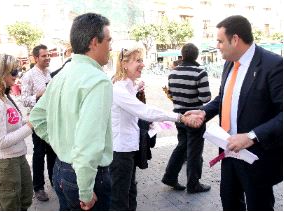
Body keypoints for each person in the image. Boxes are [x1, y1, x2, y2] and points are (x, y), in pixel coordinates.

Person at [186, 15, 282, 210]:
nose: (217, 45)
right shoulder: (229, 63)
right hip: (229, 153)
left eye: (220, 41)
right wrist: (204, 112)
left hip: (257, 158)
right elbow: (223, 98)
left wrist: (252, 137)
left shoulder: (273, 65)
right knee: (229, 203)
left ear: (235, 39)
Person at [29, 13, 114, 211]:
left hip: (62, 169)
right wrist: (85, 190)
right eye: (109, 40)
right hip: (86, 177)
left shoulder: (63, 73)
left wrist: (61, 142)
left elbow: (37, 116)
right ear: (94, 42)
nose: (110, 46)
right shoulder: (97, 80)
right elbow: (88, 143)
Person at [110, 47, 202, 210]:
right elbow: (145, 111)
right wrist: (180, 117)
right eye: (138, 60)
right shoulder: (119, 89)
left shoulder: (128, 85)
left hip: (128, 148)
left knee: (130, 192)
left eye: (142, 60)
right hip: (120, 151)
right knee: (120, 198)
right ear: (124, 64)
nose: (143, 64)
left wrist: (137, 88)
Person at [0, 54, 33, 210]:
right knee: (10, 206)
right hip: (5, 163)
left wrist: (28, 122)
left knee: (25, 200)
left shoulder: (5, 98)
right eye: (13, 72)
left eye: (17, 71)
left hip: (17, 158)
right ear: (0, 73)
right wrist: (29, 127)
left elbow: (13, 126)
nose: (17, 75)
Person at [162, 43, 212, 193]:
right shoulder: (200, 72)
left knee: (182, 147)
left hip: (179, 117)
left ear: (182, 55)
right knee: (194, 151)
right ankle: (193, 184)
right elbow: (206, 98)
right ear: (196, 56)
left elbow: (172, 94)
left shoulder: (173, 73)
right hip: (195, 117)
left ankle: (170, 176)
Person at [21, 44, 57, 201]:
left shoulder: (49, 73)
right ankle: (39, 187)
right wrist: (38, 95)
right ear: (35, 58)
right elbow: (23, 100)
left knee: (53, 152)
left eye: (48, 55)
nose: (47, 57)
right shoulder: (28, 76)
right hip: (37, 121)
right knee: (39, 154)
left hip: (52, 120)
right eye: (44, 56)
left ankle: (55, 180)